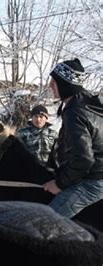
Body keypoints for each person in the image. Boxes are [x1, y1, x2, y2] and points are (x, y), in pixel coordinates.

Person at [43, 58, 103, 218]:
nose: (50, 85)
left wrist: (59, 184)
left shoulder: (74, 111)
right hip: (96, 175)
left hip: (94, 181)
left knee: (44, 221)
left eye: (54, 81)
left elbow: (84, 160)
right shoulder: (88, 103)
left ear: (65, 84)